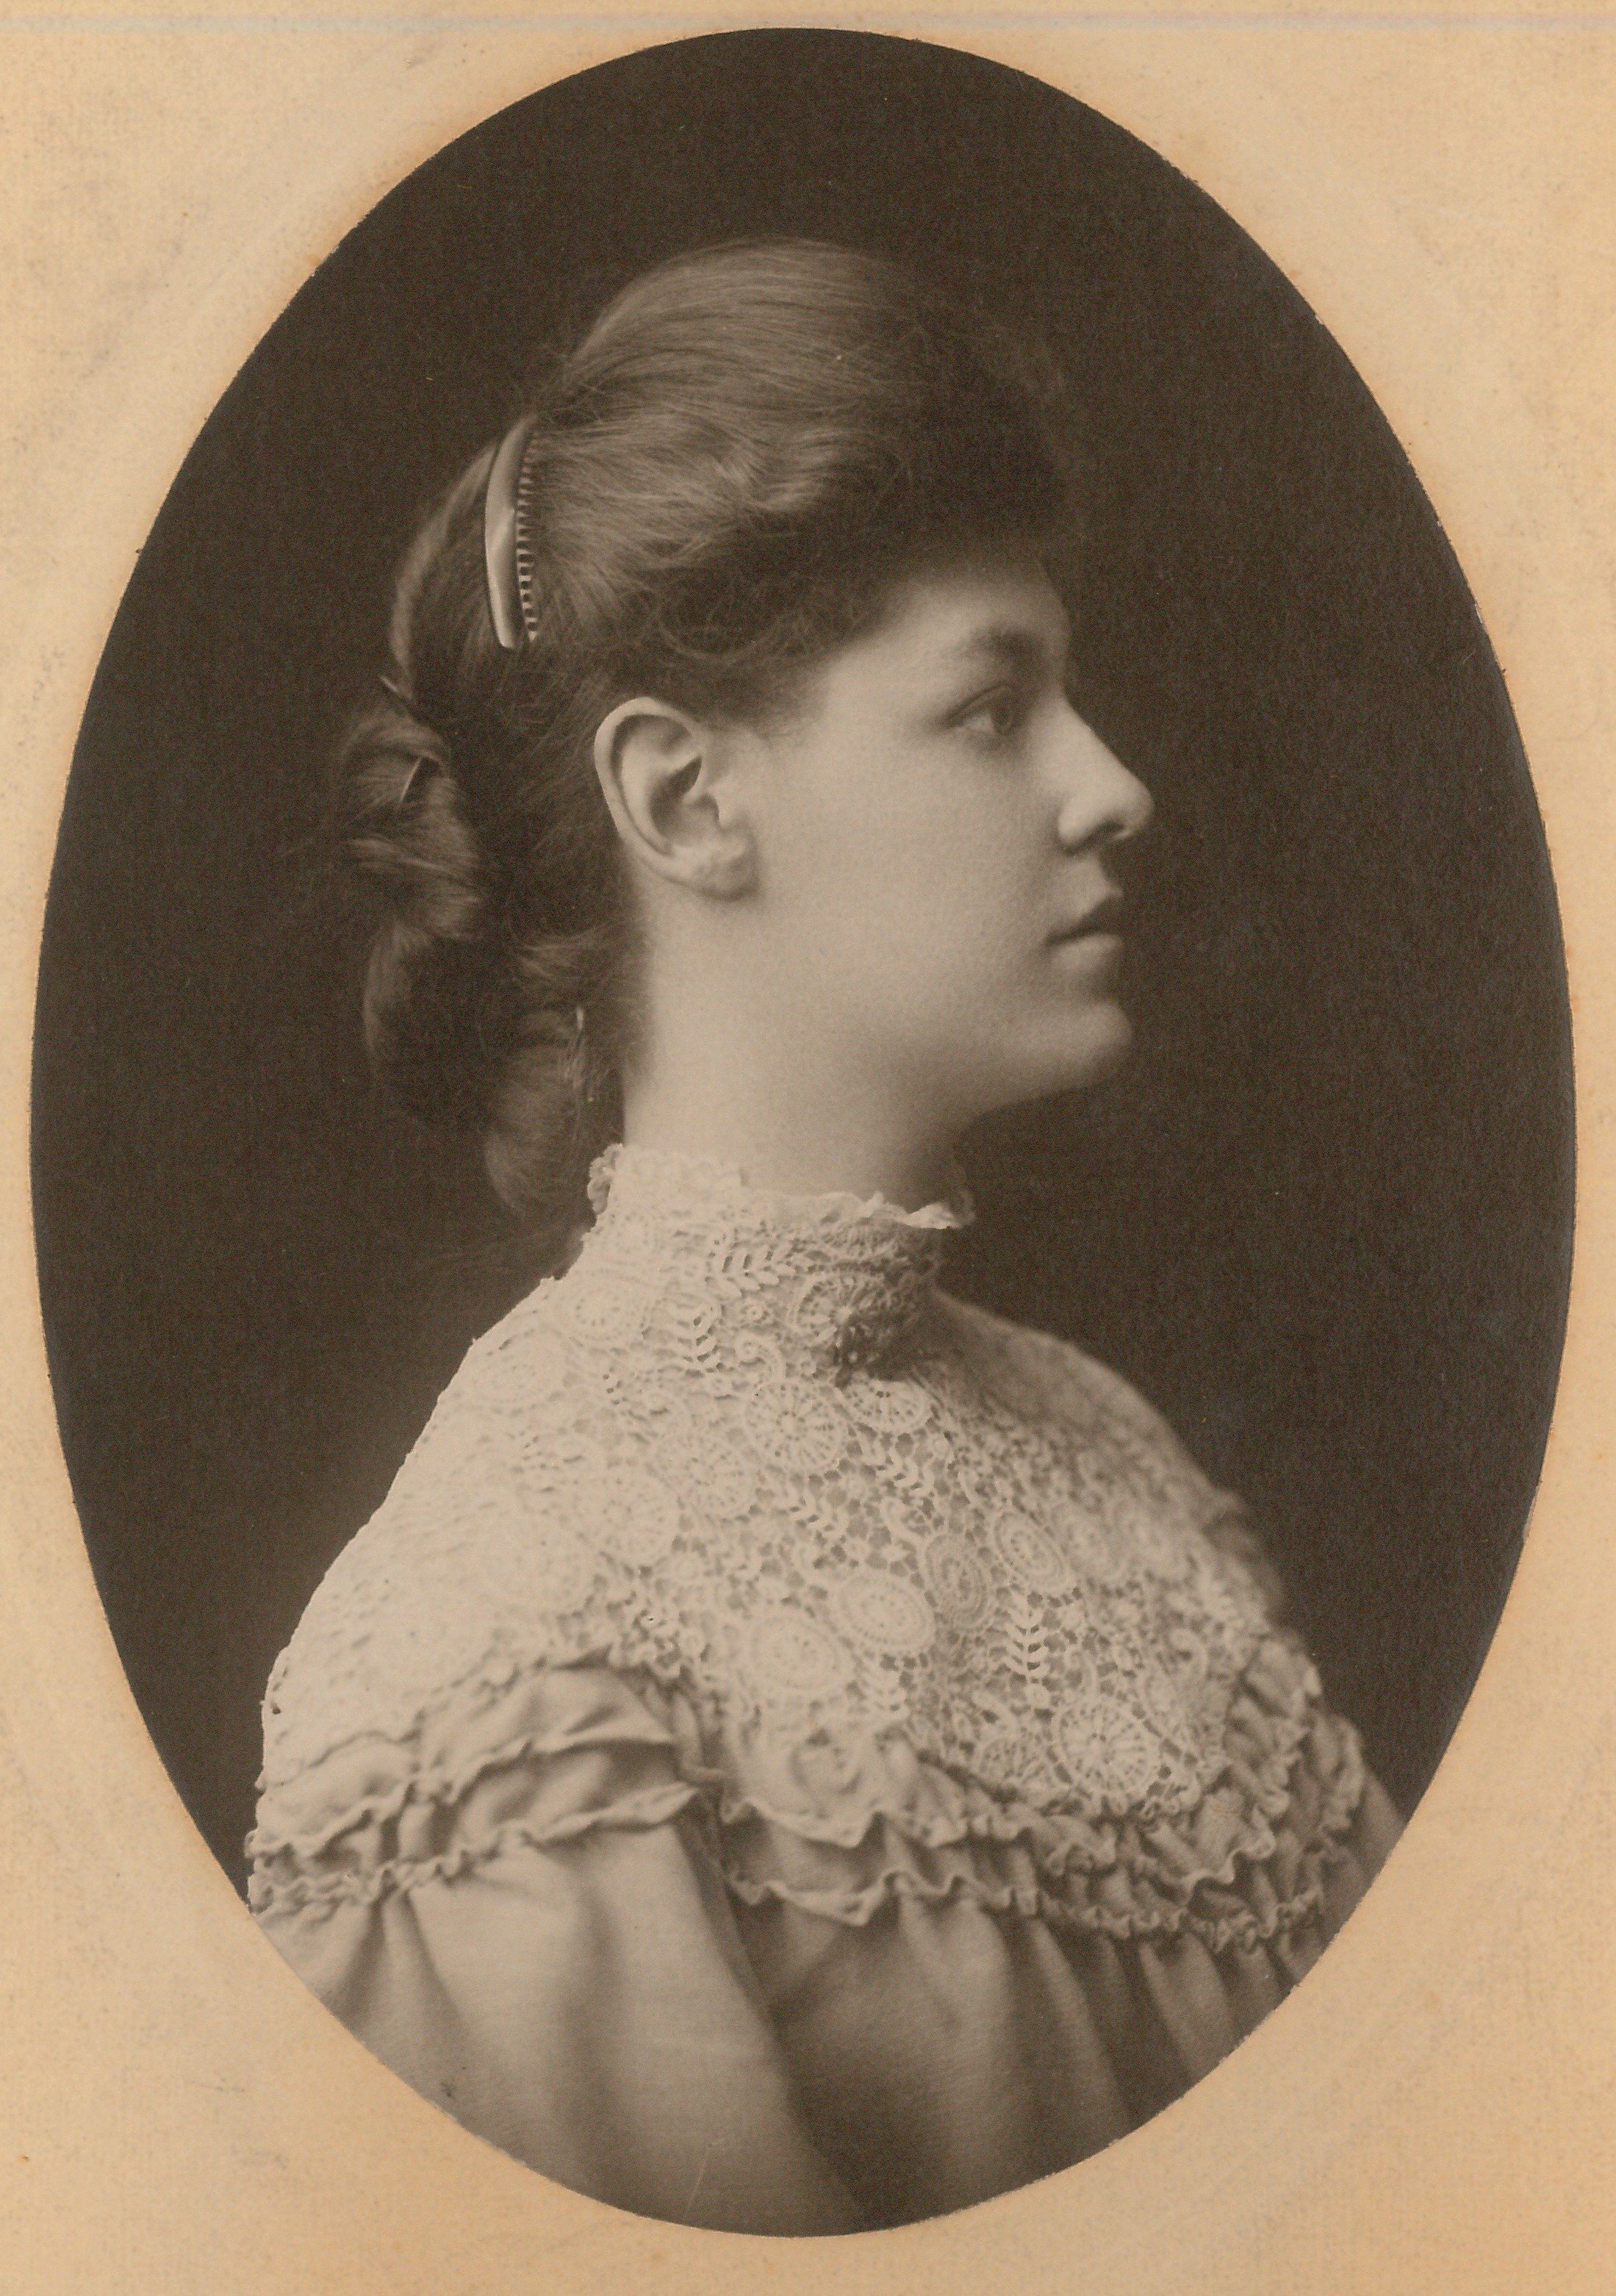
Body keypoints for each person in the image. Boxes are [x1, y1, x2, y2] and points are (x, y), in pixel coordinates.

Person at [248, 239, 1401, 2234]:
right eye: (990, 707)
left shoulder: (1118, 1458)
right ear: (687, 801)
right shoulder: (502, 1646)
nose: (1111, 785)